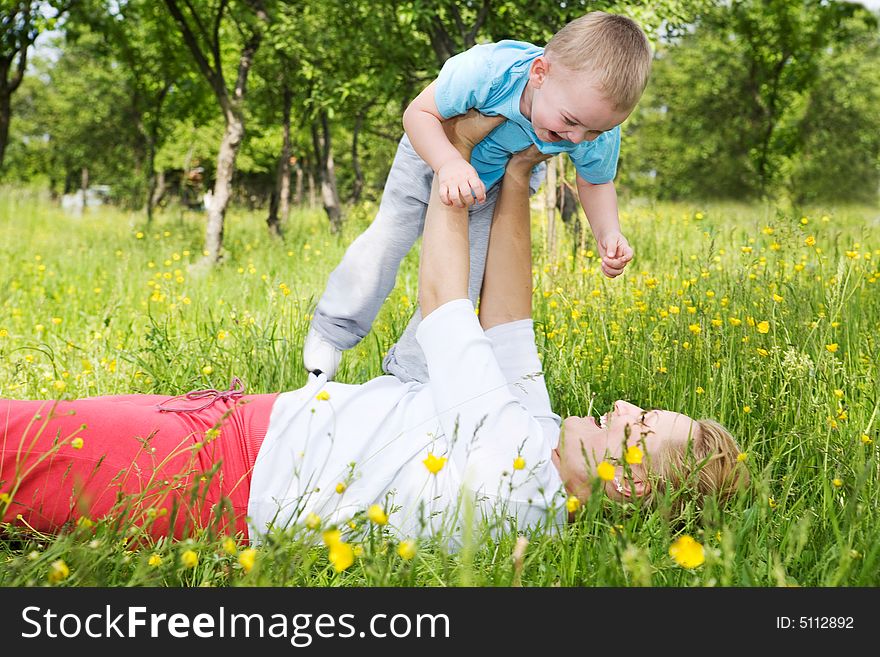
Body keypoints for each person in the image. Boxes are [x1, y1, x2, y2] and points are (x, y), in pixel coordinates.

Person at [0, 114, 746, 548]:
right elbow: (508, 320)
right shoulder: (545, 460)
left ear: (636, 480)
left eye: (640, 423)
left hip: (218, 472)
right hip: (242, 434)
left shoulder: (514, 465)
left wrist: (450, 158)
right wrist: (516, 174)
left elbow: (446, 301)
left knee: (18, 447)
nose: (623, 405)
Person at [304, 11, 649, 383]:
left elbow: (595, 181)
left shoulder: (590, 122)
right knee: (389, 239)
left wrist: (608, 232)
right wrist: (449, 162)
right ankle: (332, 331)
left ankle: (412, 375)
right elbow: (418, 113)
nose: (578, 139)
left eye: (596, 131)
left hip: (490, 188)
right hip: (430, 156)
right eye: (570, 121)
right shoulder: (487, 70)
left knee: (462, 281)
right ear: (539, 73)